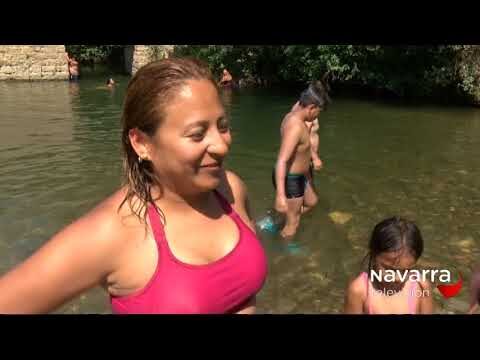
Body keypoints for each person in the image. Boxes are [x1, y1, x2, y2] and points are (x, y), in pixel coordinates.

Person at [0, 57, 268, 314]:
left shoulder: (230, 189)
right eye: (197, 134)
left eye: (222, 126)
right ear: (141, 143)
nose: (222, 145)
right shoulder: (112, 232)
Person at [273, 80, 331, 239]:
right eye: (318, 112)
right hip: (291, 179)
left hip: (301, 176)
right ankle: (288, 248)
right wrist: (280, 195)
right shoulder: (295, 126)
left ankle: (279, 220)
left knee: (312, 202)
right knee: (294, 222)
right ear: (311, 108)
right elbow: (282, 160)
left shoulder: (295, 113)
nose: (317, 117)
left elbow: (302, 100)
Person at [344, 217, 434, 314]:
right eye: (389, 270)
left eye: (406, 271)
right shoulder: (360, 290)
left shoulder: (420, 286)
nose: (397, 278)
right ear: (374, 255)